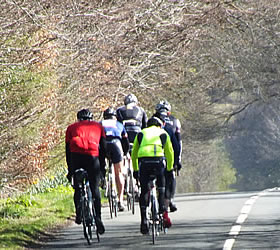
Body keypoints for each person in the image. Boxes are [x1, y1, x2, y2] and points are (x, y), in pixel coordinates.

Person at [65, 108, 106, 235]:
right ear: (91, 118)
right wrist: (102, 169)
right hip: (93, 158)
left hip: (76, 158)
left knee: (78, 187)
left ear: (78, 119)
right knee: (94, 189)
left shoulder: (71, 128)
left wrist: (70, 170)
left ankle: (79, 214)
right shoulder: (98, 127)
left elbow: (67, 151)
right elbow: (103, 148)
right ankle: (98, 218)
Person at [131, 116, 174, 235]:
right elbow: (170, 152)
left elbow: (134, 153)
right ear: (159, 125)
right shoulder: (163, 132)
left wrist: (135, 169)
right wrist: (169, 169)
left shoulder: (141, 133)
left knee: (144, 189)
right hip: (158, 161)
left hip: (144, 162)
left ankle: (144, 220)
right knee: (161, 186)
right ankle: (161, 209)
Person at [155, 100, 182, 212]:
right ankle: (170, 199)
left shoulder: (151, 120)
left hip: (153, 154)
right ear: (168, 112)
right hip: (169, 153)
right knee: (171, 175)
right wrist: (178, 160)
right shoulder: (175, 121)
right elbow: (178, 142)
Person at [101, 107, 130, 212]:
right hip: (116, 144)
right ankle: (120, 199)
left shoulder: (100, 124)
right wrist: (125, 153)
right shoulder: (119, 124)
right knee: (119, 173)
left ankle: (102, 177)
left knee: (100, 162)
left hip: (103, 144)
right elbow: (125, 142)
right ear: (115, 117)